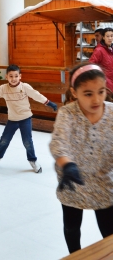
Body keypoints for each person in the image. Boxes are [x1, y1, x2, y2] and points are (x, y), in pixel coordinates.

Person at [49, 63, 113, 254]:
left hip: (104, 183)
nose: (96, 99)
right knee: (71, 227)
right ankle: (75, 255)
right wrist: (67, 165)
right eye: (88, 93)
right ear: (74, 92)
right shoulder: (67, 114)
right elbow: (59, 142)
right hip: (72, 182)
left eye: (101, 92)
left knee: (109, 231)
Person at [0, 64, 57, 171]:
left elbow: (37, 95)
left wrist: (49, 103)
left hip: (25, 118)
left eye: (16, 76)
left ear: (20, 76)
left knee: (27, 141)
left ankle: (33, 160)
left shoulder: (25, 87)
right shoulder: (4, 89)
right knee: (4, 140)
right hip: (12, 119)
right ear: (6, 77)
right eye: (11, 76)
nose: (13, 79)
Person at [89, 27, 113, 91]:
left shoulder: (111, 49)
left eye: (111, 36)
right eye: (107, 36)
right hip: (105, 86)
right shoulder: (99, 50)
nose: (110, 38)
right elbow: (91, 65)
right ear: (103, 37)